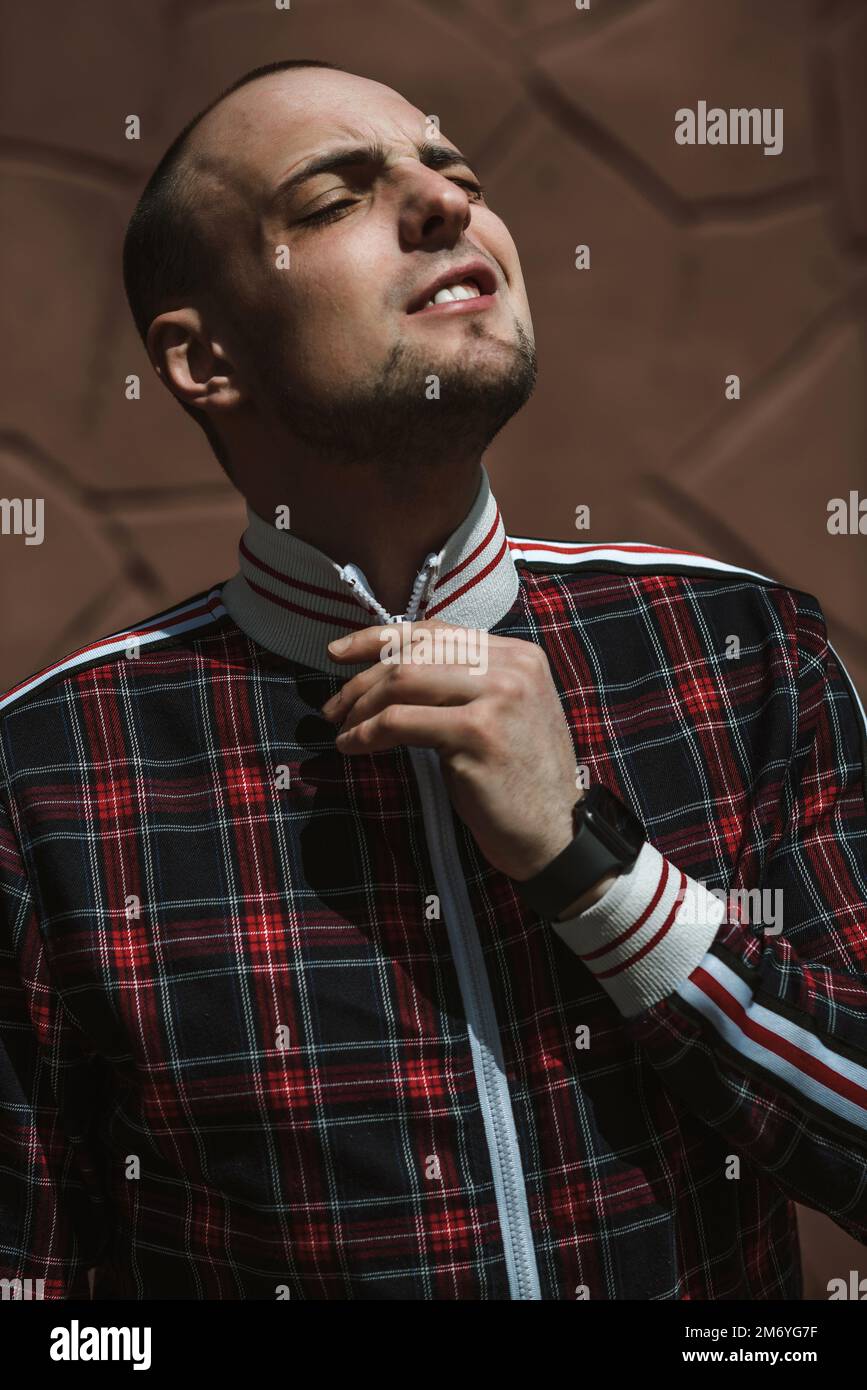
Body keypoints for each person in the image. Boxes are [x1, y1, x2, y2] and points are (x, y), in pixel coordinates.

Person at [1, 58, 865, 1302]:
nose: (444, 202)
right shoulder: (44, 781)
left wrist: (598, 871)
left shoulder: (741, 650)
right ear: (203, 360)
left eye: (455, 172)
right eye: (333, 197)